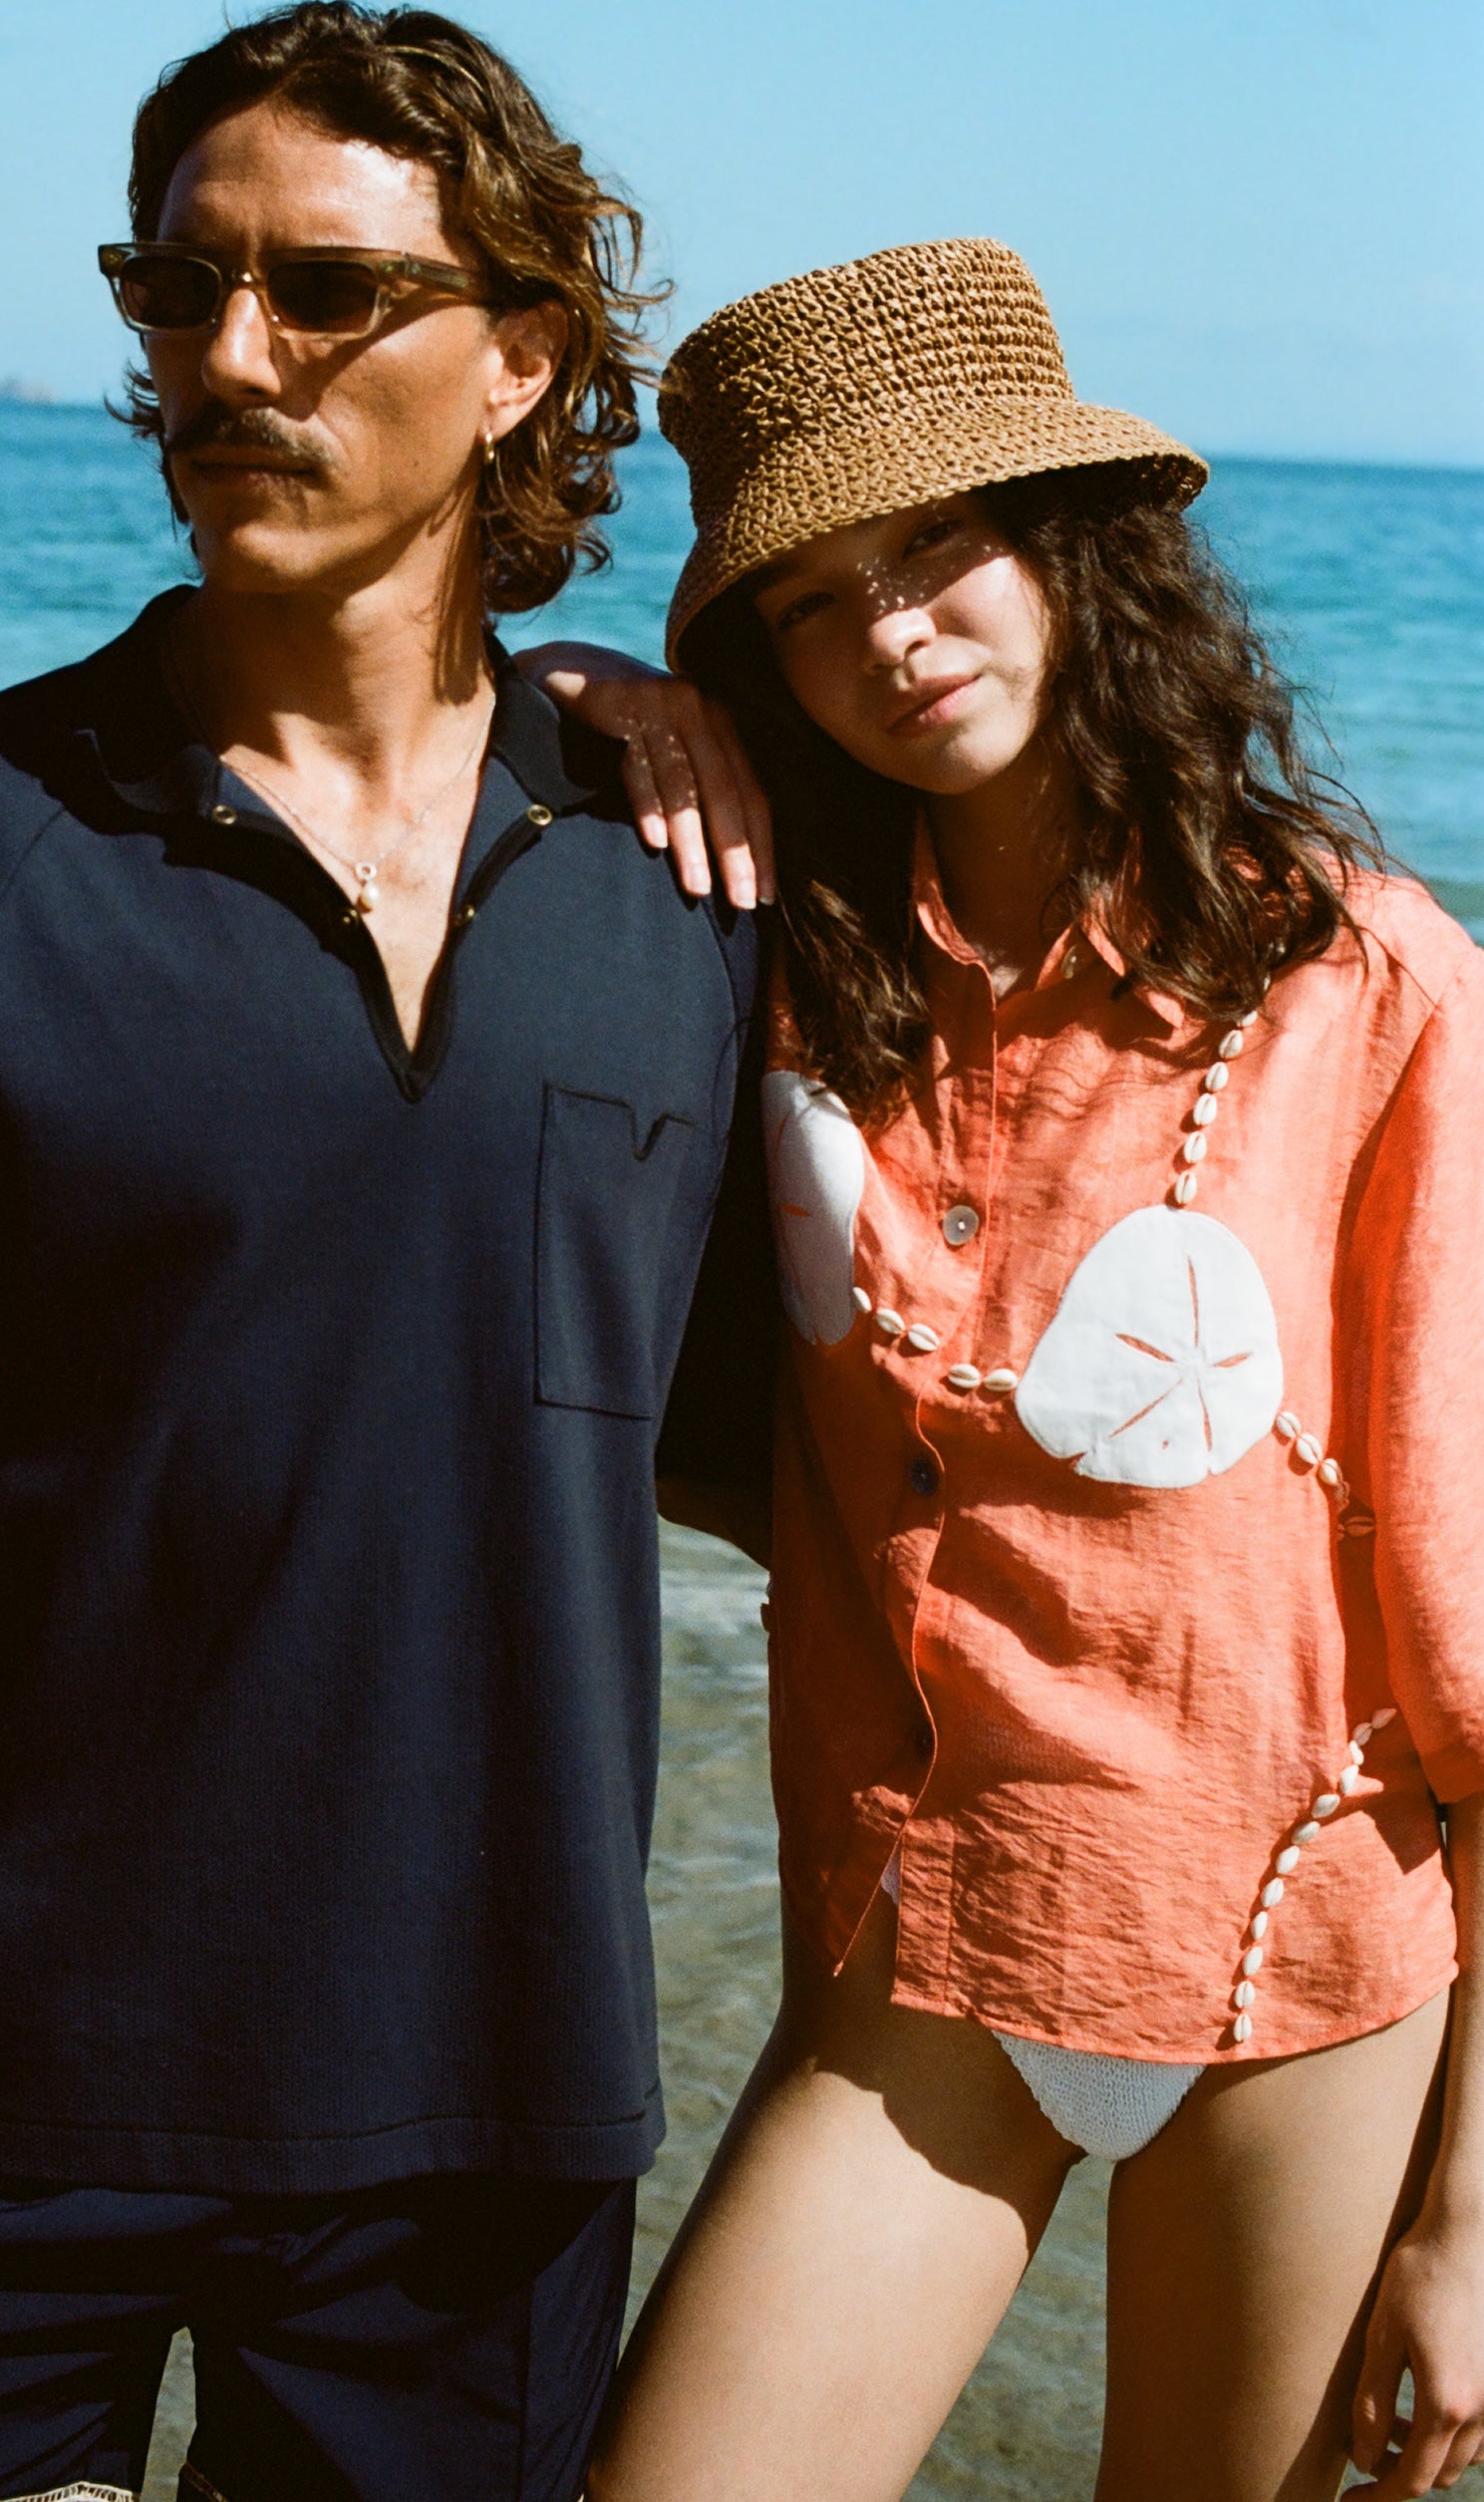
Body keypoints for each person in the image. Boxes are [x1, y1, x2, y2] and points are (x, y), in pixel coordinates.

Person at [0, 0, 768, 2502]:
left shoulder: (693, 876)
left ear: (520, 354)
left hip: (481, 2129)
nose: (233, 359)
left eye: (327, 292)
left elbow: (860, 1456)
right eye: (177, 287)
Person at [542, 239, 1484, 2502]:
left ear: (1071, 551)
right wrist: (559, 690)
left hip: (1306, 1957)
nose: (887, 632)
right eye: (809, 599)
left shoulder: (1365, 982)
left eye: (936, 552)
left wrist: (1472, 2216)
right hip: (922, 1940)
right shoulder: (759, 964)